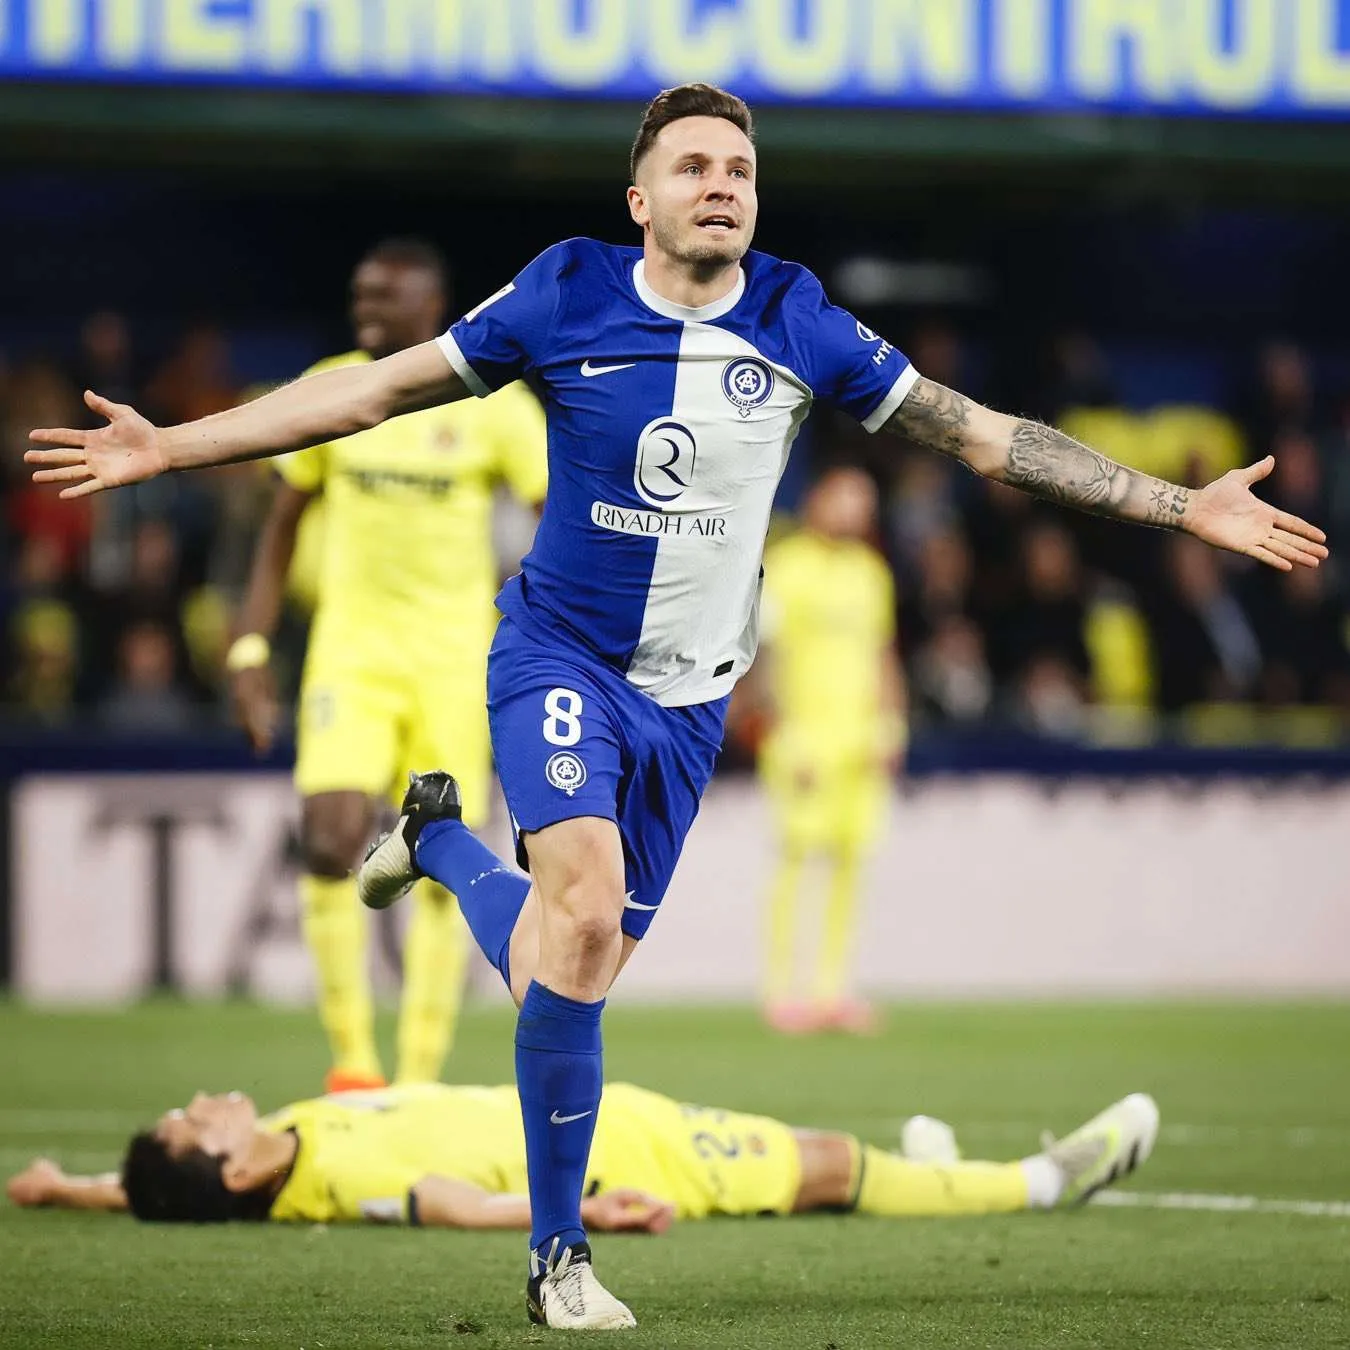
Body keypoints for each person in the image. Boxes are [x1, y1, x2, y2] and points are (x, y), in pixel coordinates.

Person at [27, 84, 1326, 1330]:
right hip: (558, 659)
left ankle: (439, 843)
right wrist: (173, 445)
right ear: (638, 199)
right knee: (585, 918)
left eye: (741, 169)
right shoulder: (565, 290)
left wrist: (1180, 506)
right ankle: (557, 1258)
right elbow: (368, 391)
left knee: (559, 966)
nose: (722, 186)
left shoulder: (798, 317)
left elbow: (985, 436)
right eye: (694, 166)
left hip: (690, 705)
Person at [227, 239, 548, 1093]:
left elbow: (554, 515)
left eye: (383, 297)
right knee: (329, 837)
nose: (364, 309)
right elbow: (280, 526)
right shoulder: (329, 386)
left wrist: (549, 632)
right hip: (352, 653)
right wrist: (250, 647)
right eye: (360, 295)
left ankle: (418, 1076)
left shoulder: (490, 403)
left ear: (431, 306)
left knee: (444, 854)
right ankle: (354, 1063)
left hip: (452, 660)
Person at [6, 1082, 1159, 1236]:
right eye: (192, 1123)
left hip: (594, 1107)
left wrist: (68, 1187)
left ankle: (935, 1160)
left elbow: (156, 1194)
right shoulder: (330, 1185)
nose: (199, 1103)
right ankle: (1042, 1181)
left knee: (817, 1154)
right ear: (235, 1172)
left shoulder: (288, 1136)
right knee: (821, 1165)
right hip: (612, 1155)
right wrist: (578, 1221)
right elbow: (447, 1205)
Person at [752, 466, 905, 1034]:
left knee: (850, 864)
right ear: (818, 500)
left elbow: (884, 653)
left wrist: (891, 725)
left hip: (859, 737)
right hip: (803, 736)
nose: (854, 512)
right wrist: (778, 730)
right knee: (796, 861)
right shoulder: (786, 566)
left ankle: (832, 991)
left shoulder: (871, 572)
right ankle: (780, 991)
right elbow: (763, 654)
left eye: (863, 502)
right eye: (845, 499)